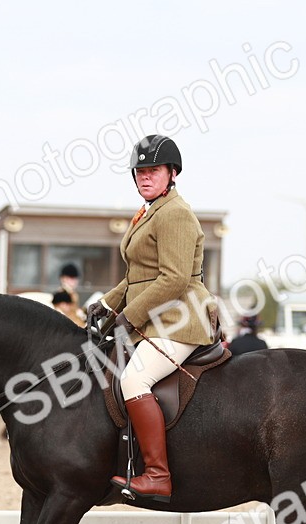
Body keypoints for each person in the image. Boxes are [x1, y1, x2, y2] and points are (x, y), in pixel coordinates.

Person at [87, 134, 215, 502]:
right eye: (140, 171)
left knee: (135, 378)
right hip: (156, 315)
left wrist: (129, 315)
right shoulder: (149, 211)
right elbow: (138, 275)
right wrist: (108, 305)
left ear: (172, 173)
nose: (145, 176)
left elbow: (174, 278)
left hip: (180, 317)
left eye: (153, 170)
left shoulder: (174, 213)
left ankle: (158, 475)